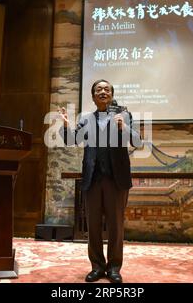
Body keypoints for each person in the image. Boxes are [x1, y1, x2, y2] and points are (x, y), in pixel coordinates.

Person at [59, 79, 142, 283]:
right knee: (93, 226)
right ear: (93, 96)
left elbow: (137, 141)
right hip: (92, 179)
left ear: (112, 94)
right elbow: (72, 140)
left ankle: (114, 268)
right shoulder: (86, 119)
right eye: (99, 89)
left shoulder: (124, 115)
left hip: (116, 179)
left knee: (116, 226)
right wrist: (65, 126)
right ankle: (97, 266)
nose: (103, 92)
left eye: (106, 89)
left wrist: (124, 128)